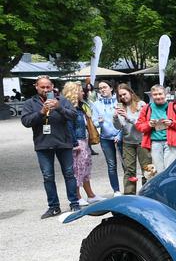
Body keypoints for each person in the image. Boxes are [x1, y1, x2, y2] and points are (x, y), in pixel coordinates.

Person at [21, 76, 80, 217]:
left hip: (63, 143)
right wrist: (41, 112)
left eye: (48, 87)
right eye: (43, 87)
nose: (46, 89)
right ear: (36, 87)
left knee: (69, 174)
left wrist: (59, 108)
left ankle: (74, 203)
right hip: (43, 144)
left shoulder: (62, 100)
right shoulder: (30, 103)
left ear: (52, 86)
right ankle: (53, 206)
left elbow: (74, 115)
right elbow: (26, 121)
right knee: (48, 176)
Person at [61, 81, 103, 206]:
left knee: (85, 168)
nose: (83, 92)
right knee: (77, 169)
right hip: (77, 141)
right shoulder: (70, 108)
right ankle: (77, 196)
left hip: (83, 140)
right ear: (74, 93)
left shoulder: (81, 106)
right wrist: (74, 144)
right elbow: (69, 127)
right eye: (80, 91)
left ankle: (91, 195)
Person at [135, 84, 176, 173]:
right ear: (152, 96)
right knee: (159, 171)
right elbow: (139, 126)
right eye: (155, 94)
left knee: (170, 170)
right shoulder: (146, 108)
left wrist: (172, 123)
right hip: (155, 143)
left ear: (165, 94)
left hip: (171, 143)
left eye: (160, 94)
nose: (158, 96)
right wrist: (149, 124)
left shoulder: (173, 107)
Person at [114, 84, 151, 195]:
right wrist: (115, 117)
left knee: (147, 169)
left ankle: (147, 194)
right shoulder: (120, 107)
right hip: (128, 142)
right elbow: (119, 127)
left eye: (124, 94)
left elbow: (142, 124)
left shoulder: (142, 105)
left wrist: (127, 116)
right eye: (120, 96)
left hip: (142, 141)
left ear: (131, 92)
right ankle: (129, 196)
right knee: (129, 170)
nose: (123, 97)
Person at [91, 80, 122, 196]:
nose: (102, 90)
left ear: (111, 88)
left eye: (104, 87)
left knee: (126, 164)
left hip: (120, 136)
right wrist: (99, 122)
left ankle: (130, 189)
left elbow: (124, 121)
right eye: (100, 88)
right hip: (105, 138)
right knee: (111, 165)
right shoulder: (96, 104)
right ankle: (116, 190)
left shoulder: (119, 101)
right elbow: (94, 122)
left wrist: (120, 135)